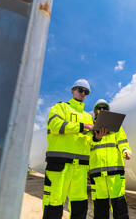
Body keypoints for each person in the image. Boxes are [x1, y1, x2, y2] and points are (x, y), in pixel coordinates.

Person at [42, 79, 98, 219]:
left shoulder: (88, 117)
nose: (83, 93)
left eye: (86, 92)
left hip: (80, 168)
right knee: (53, 203)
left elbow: (89, 142)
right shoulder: (60, 107)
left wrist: (97, 137)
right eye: (80, 90)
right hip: (59, 165)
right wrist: (82, 126)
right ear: (73, 90)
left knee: (80, 205)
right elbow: (55, 125)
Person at [89, 99, 132, 219]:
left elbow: (123, 143)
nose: (102, 110)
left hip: (115, 173)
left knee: (119, 205)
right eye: (99, 108)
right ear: (95, 111)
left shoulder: (117, 127)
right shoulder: (90, 127)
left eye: (105, 108)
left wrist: (126, 151)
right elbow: (86, 146)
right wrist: (96, 138)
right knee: (100, 206)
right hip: (97, 174)